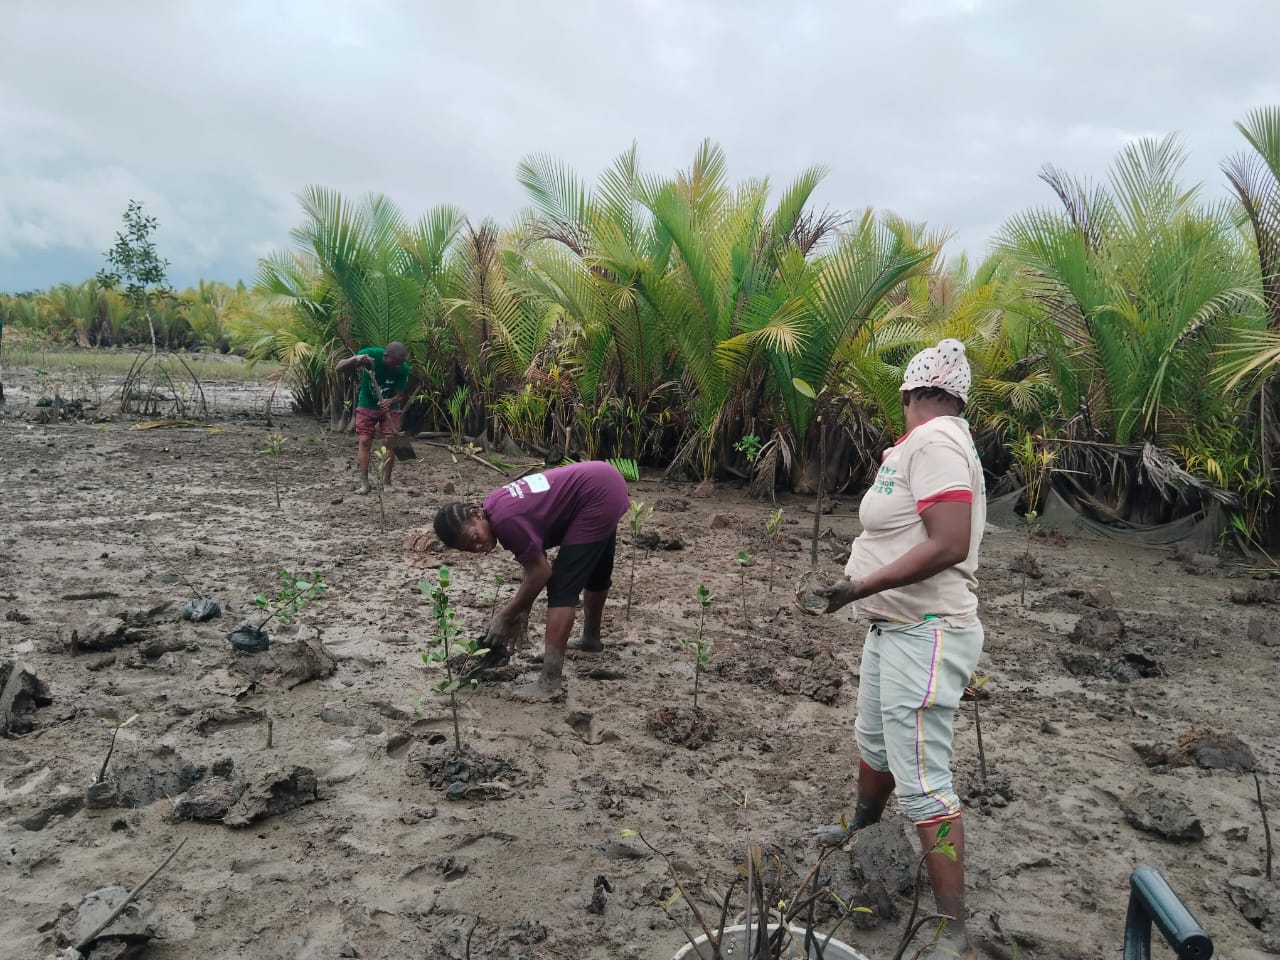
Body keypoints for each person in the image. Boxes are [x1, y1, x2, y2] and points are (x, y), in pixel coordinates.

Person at [815, 338, 986, 960]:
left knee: (925, 782)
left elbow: (948, 541)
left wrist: (857, 585)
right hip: (894, 627)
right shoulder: (929, 443)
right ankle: (860, 830)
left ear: (912, 395)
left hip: (926, 631)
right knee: (875, 740)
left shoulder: (937, 442)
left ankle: (954, 931)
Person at [432, 461, 630, 701]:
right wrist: (523, 608)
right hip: (603, 481)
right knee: (596, 568)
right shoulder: (495, 505)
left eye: (474, 537)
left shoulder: (506, 523)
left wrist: (506, 614)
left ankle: (549, 682)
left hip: (596, 495)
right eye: (469, 549)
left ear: (475, 513)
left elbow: (541, 573)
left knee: (561, 588)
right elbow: (535, 557)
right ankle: (591, 639)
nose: (478, 547)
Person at [335, 342, 409, 494]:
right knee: (364, 441)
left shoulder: (403, 368)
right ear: (385, 357)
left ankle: (387, 482)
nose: (397, 367)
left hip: (390, 408)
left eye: (399, 364)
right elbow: (339, 368)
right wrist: (356, 359)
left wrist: (390, 401)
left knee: (391, 441)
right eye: (394, 364)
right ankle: (364, 483)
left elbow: (400, 395)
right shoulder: (370, 355)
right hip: (367, 403)